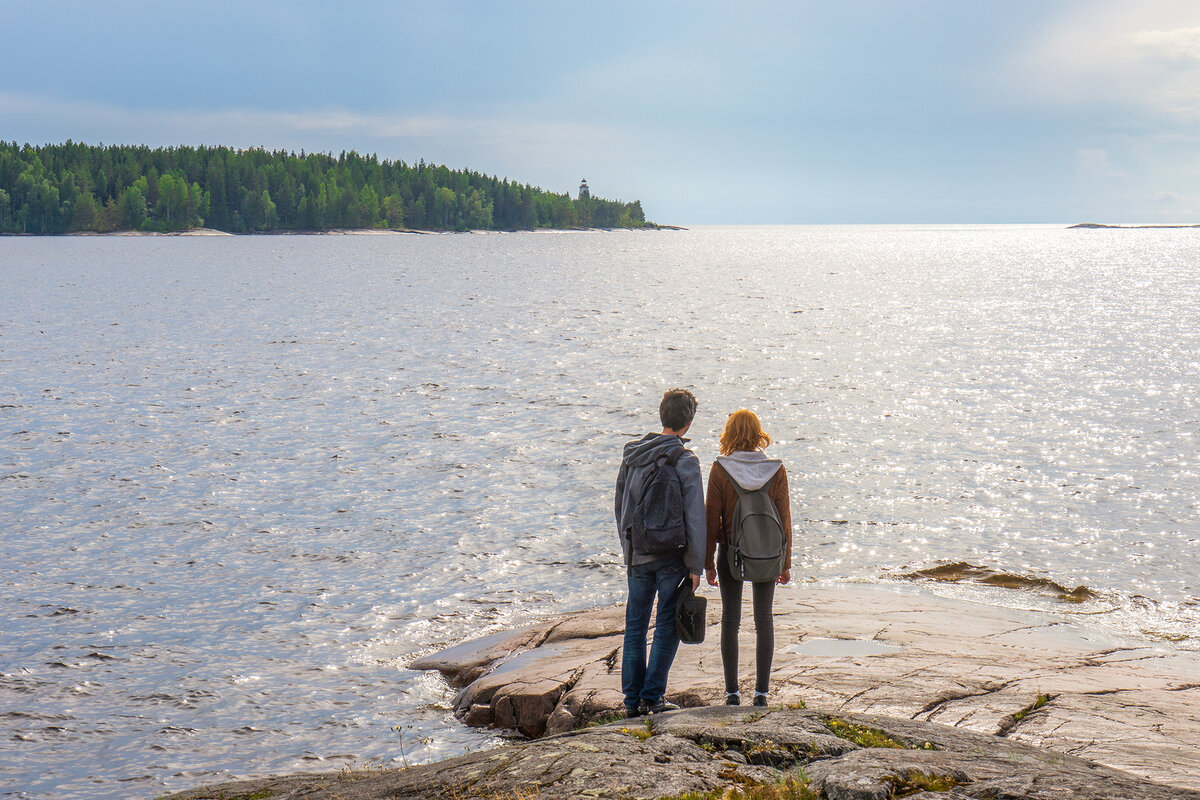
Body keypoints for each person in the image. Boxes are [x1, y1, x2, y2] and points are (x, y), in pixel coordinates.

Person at [614, 388, 705, 717]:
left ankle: (631, 703)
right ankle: (653, 697)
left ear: (662, 415)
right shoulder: (685, 459)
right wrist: (697, 565)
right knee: (667, 623)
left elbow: (620, 507)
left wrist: (629, 548)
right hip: (671, 555)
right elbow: (695, 516)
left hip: (638, 554)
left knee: (635, 626)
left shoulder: (633, 455)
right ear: (688, 423)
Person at [704, 409, 792, 707]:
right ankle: (761, 694)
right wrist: (786, 561)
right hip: (768, 553)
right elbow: (785, 520)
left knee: (731, 620)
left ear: (729, 434)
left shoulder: (720, 469)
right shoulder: (775, 470)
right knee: (764, 619)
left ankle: (732, 694)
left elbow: (710, 520)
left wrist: (706, 562)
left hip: (731, 553)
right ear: (758, 434)